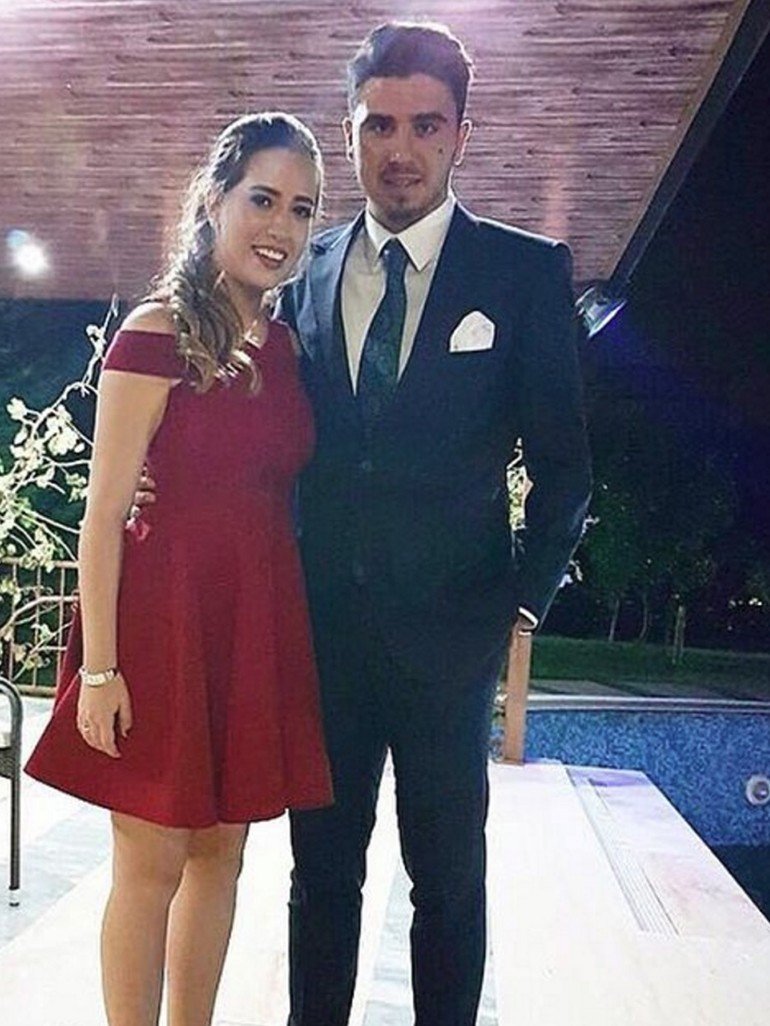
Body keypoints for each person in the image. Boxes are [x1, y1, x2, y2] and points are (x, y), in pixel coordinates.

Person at [277, 21, 592, 1026]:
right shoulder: (305, 272)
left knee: (447, 884)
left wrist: (520, 606)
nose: (399, 149)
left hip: (451, 642)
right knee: (319, 875)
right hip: (325, 638)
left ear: (461, 133)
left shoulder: (521, 273)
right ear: (350, 133)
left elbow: (565, 467)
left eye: (424, 124)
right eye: (378, 125)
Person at [26, 112, 332, 1026]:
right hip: (161, 626)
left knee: (221, 855)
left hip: (251, 623)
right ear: (215, 200)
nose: (281, 227)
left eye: (303, 210)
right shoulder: (155, 334)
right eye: (263, 200)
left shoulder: (287, 349)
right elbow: (102, 516)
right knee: (151, 860)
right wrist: (100, 671)